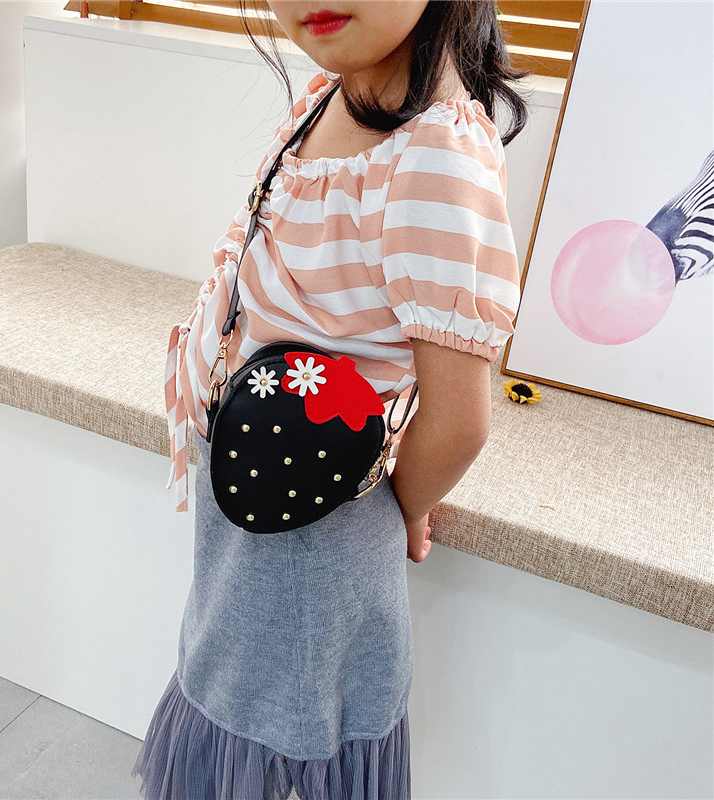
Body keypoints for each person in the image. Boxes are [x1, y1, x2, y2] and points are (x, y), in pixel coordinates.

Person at [132, 2, 529, 798]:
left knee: (266, 723)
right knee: (229, 684)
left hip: (315, 532)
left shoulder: (435, 159)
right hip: (251, 493)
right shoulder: (334, 91)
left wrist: (392, 509)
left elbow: (459, 421)